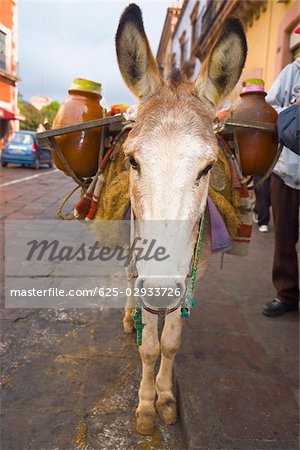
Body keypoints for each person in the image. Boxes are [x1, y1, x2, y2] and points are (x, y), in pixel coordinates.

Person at [262, 56, 300, 317]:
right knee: (284, 236)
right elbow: (270, 106)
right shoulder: (292, 71)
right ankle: (286, 294)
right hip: (287, 167)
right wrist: (294, 107)